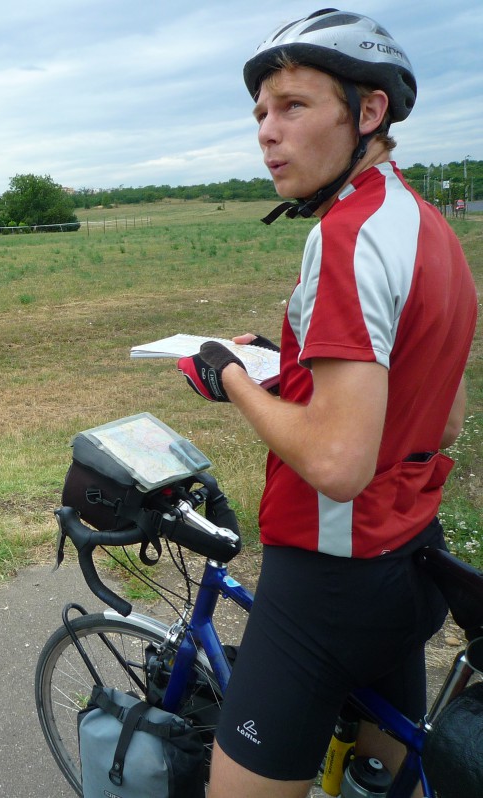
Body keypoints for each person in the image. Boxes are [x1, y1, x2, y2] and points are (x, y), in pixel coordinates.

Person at [176, 9, 477, 798]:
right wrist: (291, 370)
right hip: (407, 564)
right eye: (261, 114)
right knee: (382, 787)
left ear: (368, 110)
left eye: (293, 106)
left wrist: (232, 375)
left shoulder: (345, 236)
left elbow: (340, 464)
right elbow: (441, 413)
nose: (267, 133)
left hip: (327, 581)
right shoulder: (429, 229)